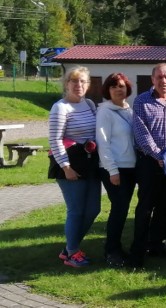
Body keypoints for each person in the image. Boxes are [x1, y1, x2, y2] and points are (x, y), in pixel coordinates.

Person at [129, 63, 166, 268]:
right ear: (152, 79)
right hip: (149, 163)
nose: (164, 81)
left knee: (165, 208)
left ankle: (156, 246)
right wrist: (158, 155)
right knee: (146, 207)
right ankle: (137, 252)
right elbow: (141, 133)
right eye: (160, 77)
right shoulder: (141, 101)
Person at [48, 66, 101, 267]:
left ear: (87, 85)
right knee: (76, 211)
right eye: (74, 81)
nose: (79, 85)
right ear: (66, 84)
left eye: (83, 82)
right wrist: (66, 167)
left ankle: (70, 247)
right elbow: (54, 139)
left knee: (93, 210)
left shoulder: (89, 104)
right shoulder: (60, 107)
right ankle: (72, 254)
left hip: (90, 164)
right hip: (70, 165)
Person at [96, 72, 136, 268]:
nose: (119, 89)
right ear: (108, 91)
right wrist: (112, 170)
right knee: (119, 210)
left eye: (121, 85)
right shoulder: (105, 111)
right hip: (115, 169)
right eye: (114, 87)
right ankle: (111, 251)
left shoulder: (130, 110)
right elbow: (103, 143)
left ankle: (117, 248)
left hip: (130, 167)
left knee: (123, 209)